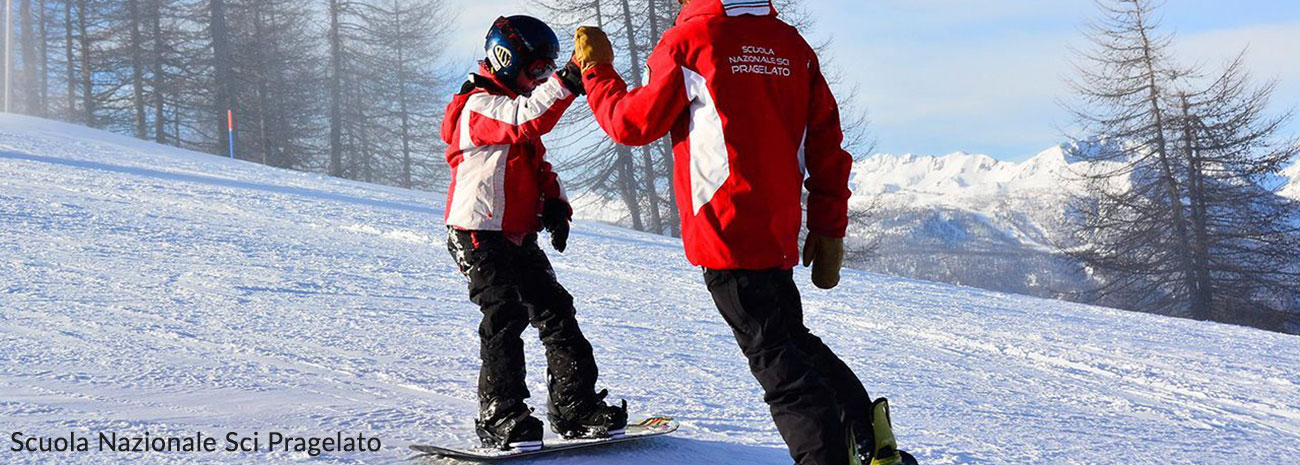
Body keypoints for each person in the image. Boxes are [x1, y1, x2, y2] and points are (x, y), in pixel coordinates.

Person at [567, 1, 916, 464]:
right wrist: (829, 227)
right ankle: (871, 443)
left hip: (724, 228)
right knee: (791, 337)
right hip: (776, 229)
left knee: (777, 360)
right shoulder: (791, 45)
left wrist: (596, 71)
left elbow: (632, 122)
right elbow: (826, 141)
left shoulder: (691, 42)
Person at [441, 15, 627, 452]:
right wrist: (566, 81)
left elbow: (536, 162)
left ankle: (574, 406)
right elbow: (525, 120)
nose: (539, 79)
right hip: (476, 230)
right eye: (536, 69)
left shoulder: (511, 102)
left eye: (546, 70)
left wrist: (556, 205)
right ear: (506, 60)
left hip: (516, 234)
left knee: (556, 311)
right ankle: (501, 414)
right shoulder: (478, 105)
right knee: (505, 313)